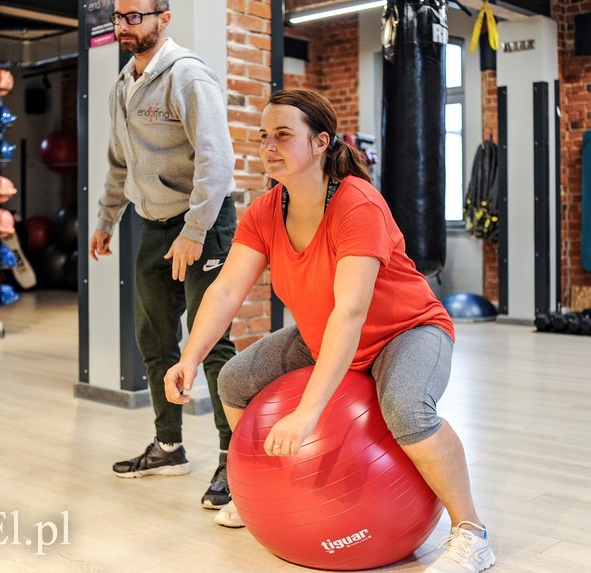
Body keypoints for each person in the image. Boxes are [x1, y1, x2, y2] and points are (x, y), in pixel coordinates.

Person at [163, 89, 496, 573]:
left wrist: (308, 413)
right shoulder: (264, 211)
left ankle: (471, 532)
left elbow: (351, 312)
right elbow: (226, 291)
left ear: (320, 142)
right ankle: (265, 490)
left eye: (282, 135)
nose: (269, 147)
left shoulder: (357, 204)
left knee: (405, 407)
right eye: (263, 137)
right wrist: (190, 356)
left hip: (405, 332)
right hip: (321, 335)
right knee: (233, 380)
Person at [89, 0, 237, 512]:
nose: (124, 26)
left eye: (136, 17)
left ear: (163, 18)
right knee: (154, 338)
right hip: (152, 224)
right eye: (119, 18)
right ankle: (169, 446)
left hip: (204, 223)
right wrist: (107, 219)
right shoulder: (122, 84)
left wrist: (195, 230)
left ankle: (231, 457)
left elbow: (217, 161)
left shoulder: (189, 76)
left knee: (210, 339)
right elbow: (118, 160)